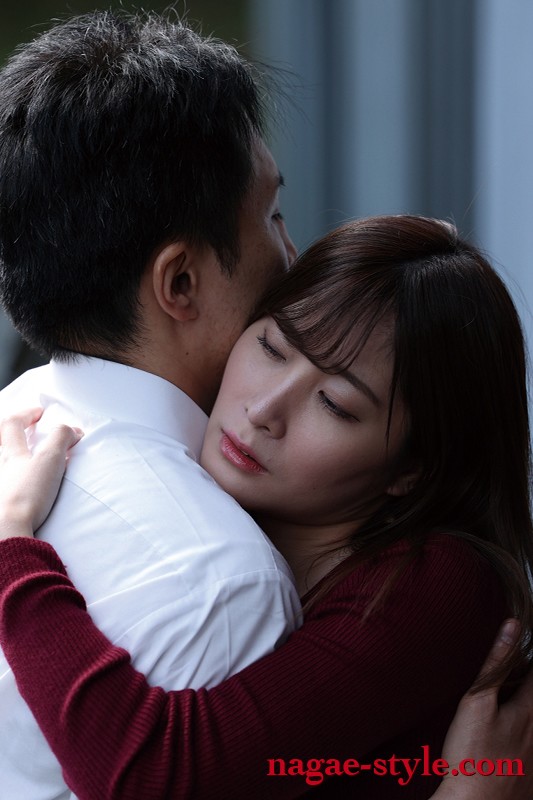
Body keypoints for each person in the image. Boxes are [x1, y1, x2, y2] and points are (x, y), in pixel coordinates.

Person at [0, 215, 531, 799]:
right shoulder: (188, 498)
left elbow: (158, 777)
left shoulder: (441, 583)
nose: (264, 410)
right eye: (272, 347)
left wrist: (13, 545)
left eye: (335, 404)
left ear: (414, 468)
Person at [0, 10, 300, 798]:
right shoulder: (224, 584)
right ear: (181, 282)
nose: (292, 256)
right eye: (272, 217)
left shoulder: (13, 421)